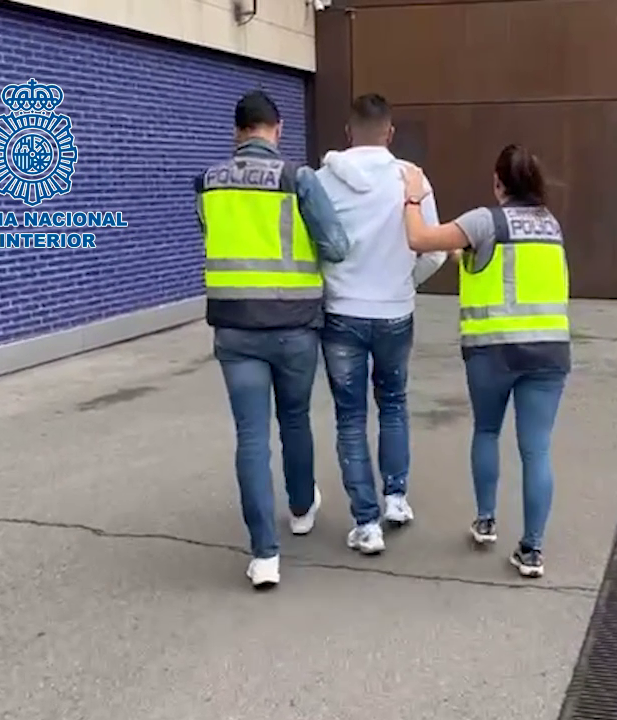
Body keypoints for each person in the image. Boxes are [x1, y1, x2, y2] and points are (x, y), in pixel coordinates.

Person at [195, 90, 350, 589]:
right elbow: (336, 246)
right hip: (293, 327)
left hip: (235, 329)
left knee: (251, 438)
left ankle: (264, 556)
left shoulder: (208, 182)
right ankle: (302, 508)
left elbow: (209, 235)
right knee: (294, 419)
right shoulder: (296, 178)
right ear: (277, 129)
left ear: (237, 130)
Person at [398, 144, 569, 578]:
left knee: (487, 431)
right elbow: (505, 264)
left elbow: (419, 239)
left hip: (493, 353)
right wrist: (465, 252)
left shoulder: (483, 220)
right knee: (537, 450)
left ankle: (486, 521)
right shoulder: (551, 225)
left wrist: (413, 197)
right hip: (549, 353)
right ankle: (532, 551)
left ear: (498, 183)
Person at [313, 93, 447, 555]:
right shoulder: (411, 178)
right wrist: (405, 281)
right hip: (395, 311)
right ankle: (396, 498)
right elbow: (434, 248)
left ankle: (366, 525)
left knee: (350, 417)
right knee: (393, 403)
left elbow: (313, 247)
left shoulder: (321, 181)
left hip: (342, 312)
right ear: (389, 133)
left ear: (348, 132)